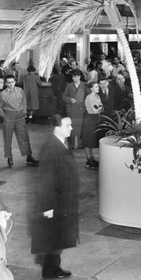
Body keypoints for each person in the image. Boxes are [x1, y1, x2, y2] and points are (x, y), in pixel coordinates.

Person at [31, 115, 79, 279]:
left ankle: (54, 268)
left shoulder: (61, 143)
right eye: (67, 125)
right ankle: (49, 273)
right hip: (54, 203)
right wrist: (48, 207)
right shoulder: (51, 148)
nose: (71, 128)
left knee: (58, 238)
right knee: (52, 239)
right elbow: (45, 180)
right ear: (57, 127)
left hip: (62, 201)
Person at [0, 75, 39, 167]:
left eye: (12, 82)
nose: (11, 84)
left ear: (15, 82)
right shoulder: (2, 94)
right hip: (8, 117)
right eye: (8, 83)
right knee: (7, 138)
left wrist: (24, 112)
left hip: (20, 117)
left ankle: (29, 156)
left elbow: (24, 101)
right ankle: (9, 157)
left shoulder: (20, 90)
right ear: (6, 83)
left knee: (24, 137)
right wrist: (4, 116)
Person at [62, 69, 87, 149]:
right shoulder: (69, 85)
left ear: (79, 77)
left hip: (80, 109)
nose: (73, 78)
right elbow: (64, 96)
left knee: (79, 127)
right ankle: (73, 143)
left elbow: (89, 95)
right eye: (72, 77)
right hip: (71, 109)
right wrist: (70, 99)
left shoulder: (84, 86)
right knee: (72, 126)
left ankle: (77, 143)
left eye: (75, 77)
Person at [82, 81, 102, 170]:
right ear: (91, 88)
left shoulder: (97, 96)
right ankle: (88, 159)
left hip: (96, 119)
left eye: (98, 86)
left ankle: (92, 158)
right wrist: (99, 108)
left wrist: (99, 108)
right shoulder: (89, 97)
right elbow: (95, 110)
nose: (98, 88)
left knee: (92, 140)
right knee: (88, 140)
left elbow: (102, 107)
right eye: (96, 87)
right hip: (90, 119)